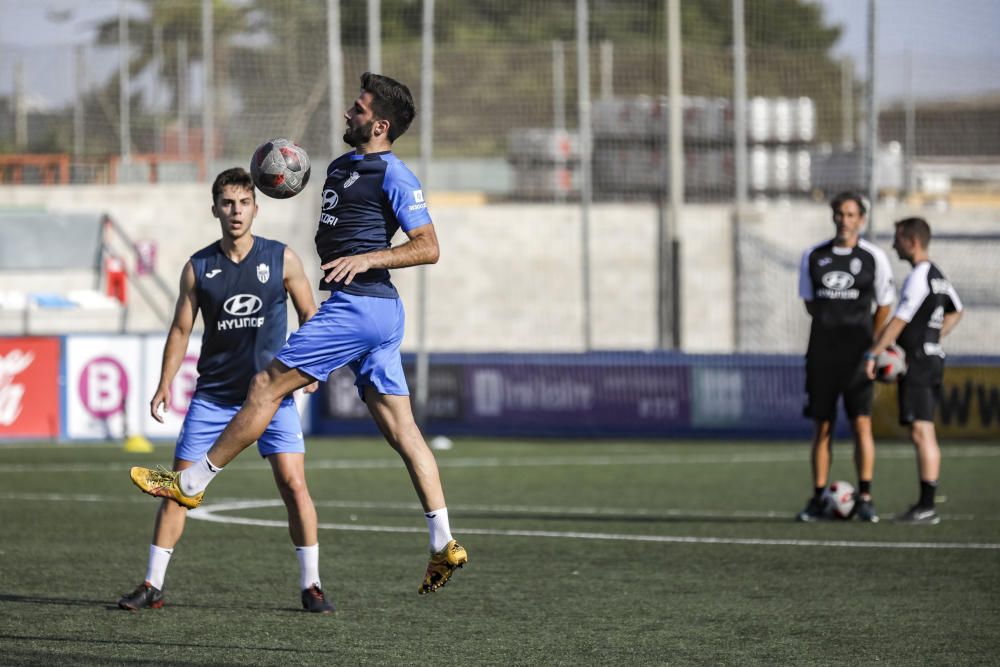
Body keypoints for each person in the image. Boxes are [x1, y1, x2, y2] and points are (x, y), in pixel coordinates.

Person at [130, 73, 467, 596]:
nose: (347, 113)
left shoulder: (394, 173)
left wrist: (368, 257)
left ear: (379, 125)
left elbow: (428, 246)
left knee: (265, 386)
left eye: (357, 109)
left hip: (360, 306)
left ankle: (192, 482)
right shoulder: (340, 166)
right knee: (402, 429)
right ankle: (442, 541)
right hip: (372, 311)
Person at [118, 167, 334, 614]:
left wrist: (313, 366)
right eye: (227, 203)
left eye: (243, 203)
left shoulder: (282, 258)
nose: (236, 212)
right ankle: (151, 584)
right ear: (215, 208)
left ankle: (312, 586)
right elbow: (180, 329)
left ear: (256, 207)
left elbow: (311, 315)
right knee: (180, 489)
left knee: (294, 486)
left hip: (272, 399)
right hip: (213, 398)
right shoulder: (198, 267)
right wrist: (163, 383)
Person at [796, 191, 895, 522]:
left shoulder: (873, 257)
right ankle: (817, 496)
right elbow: (810, 304)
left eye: (851, 214)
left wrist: (873, 345)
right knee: (821, 427)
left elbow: (884, 304)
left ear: (861, 220)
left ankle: (865, 496)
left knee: (861, 425)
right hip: (822, 356)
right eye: (840, 213)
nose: (844, 220)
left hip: (859, 358)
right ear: (833, 216)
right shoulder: (813, 255)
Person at [865, 217, 963, 524]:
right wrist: (933, 338)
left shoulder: (920, 275)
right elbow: (956, 310)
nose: (894, 245)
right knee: (923, 430)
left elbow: (899, 319)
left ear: (913, 241)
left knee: (922, 432)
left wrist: (874, 353)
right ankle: (925, 504)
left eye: (898, 239)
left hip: (919, 364)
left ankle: (926, 506)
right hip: (931, 358)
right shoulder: (939, 276)